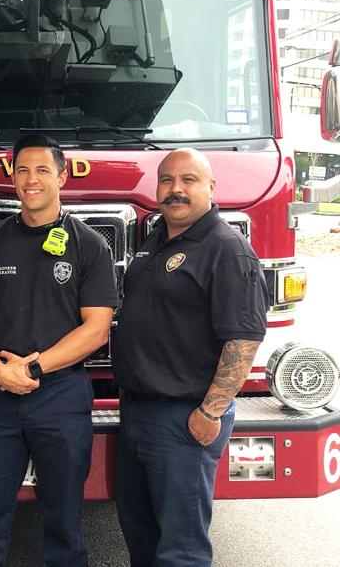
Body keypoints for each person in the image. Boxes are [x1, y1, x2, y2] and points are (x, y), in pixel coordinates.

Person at [0, 133, 118, 567]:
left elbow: (97, 327)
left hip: (61, 396)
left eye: (43, 170)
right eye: (23, 170)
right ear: (12, 176)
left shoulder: (89, 245)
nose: (32, 180)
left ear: (62, 176)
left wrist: (33, 368)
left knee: (63, 520)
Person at [112, 148, 269, 567]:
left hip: (184, 419)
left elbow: (244, 338)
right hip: (138, 412)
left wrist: (211, 411)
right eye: (167, 180)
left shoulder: (227, 249)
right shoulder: (156, 240)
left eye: (189, 180)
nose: (176, 189)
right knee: (141, 535)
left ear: (211, 187)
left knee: (181, 548)